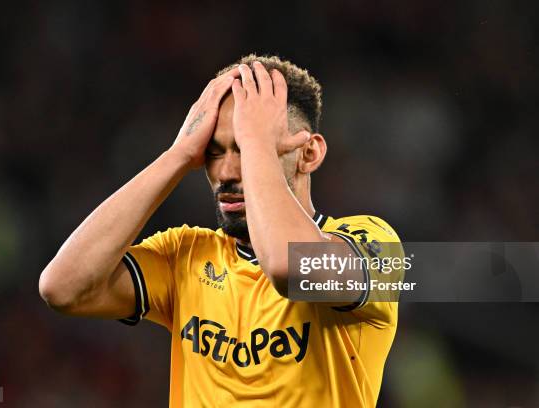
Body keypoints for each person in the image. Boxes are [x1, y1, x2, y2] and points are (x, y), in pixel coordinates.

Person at [39, 54, 403, 407]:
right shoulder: (186, 255)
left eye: (243, 149)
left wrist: (256, 140)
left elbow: (286, 266)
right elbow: (62, 288)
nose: (227, 172)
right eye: (213, 152)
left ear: (309, 154)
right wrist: (178, 155)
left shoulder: (375, 243)